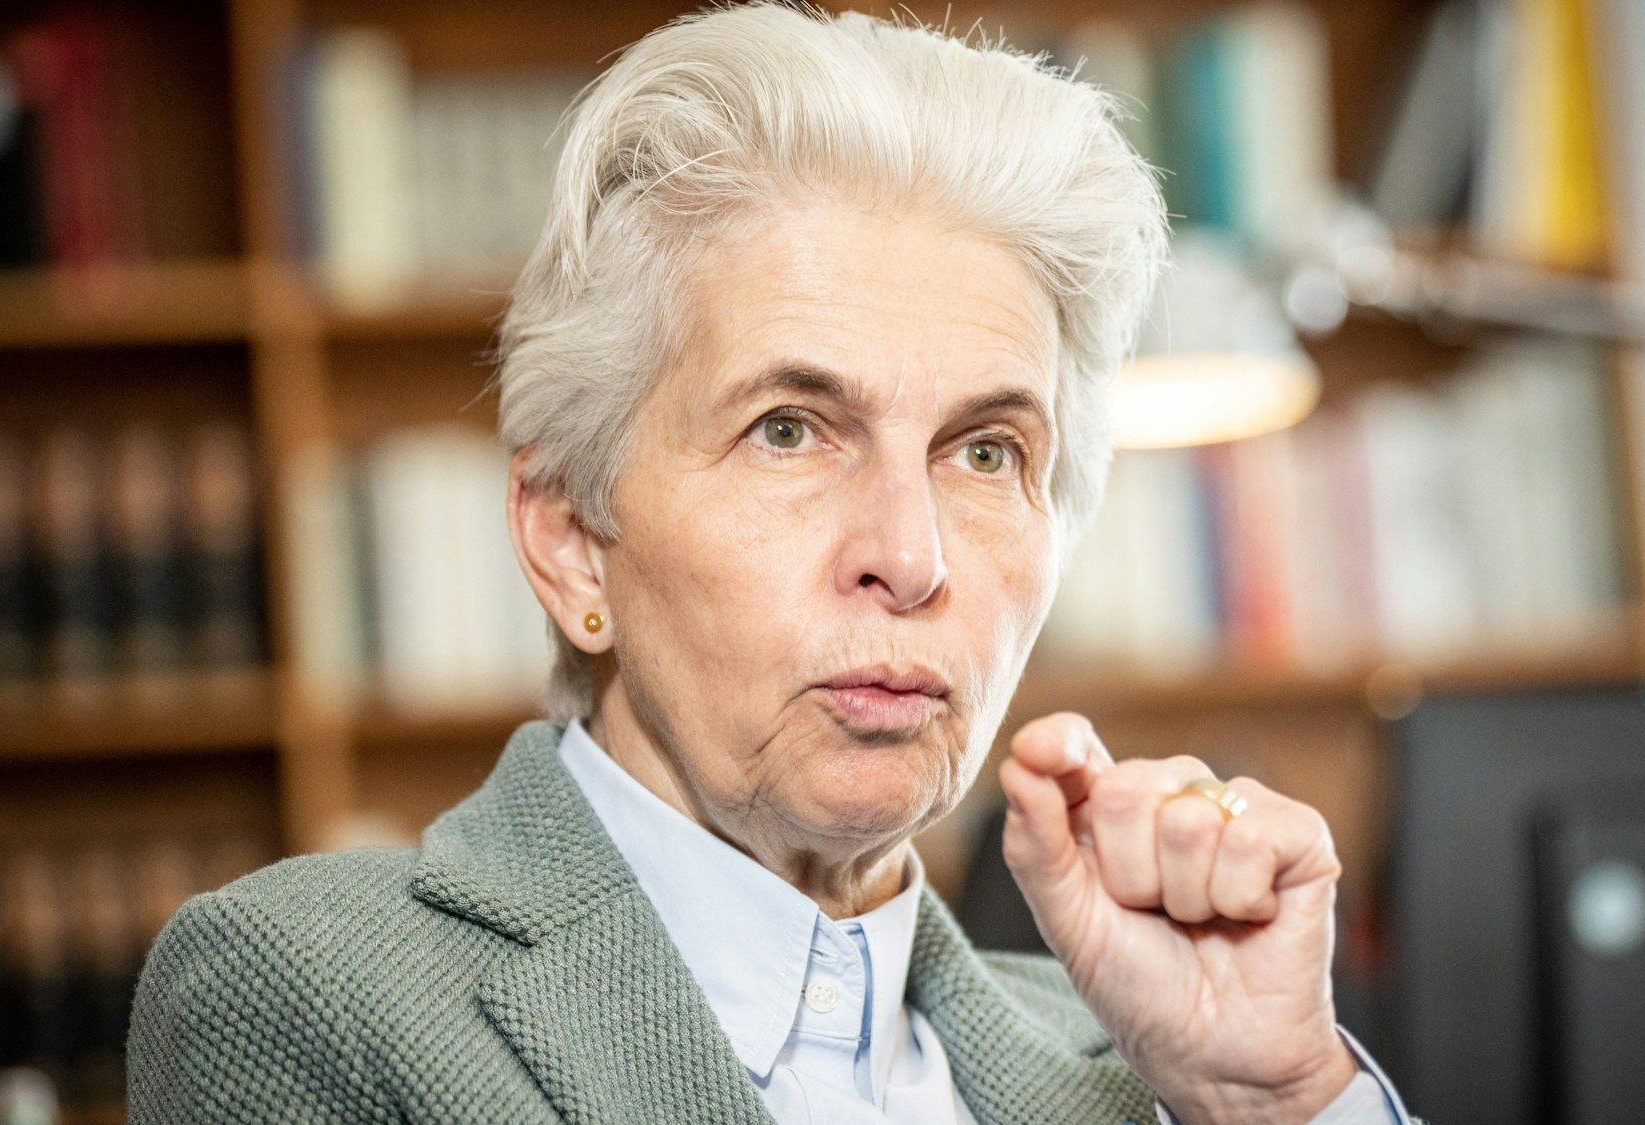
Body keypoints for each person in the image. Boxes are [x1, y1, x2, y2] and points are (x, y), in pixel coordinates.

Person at [127, 5, 1418, 1123]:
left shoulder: (1138, 1059)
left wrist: (1278, 1101)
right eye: (789, 430)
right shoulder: (311, 988)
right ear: (569, 535)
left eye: (983, 453)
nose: (908, 559)